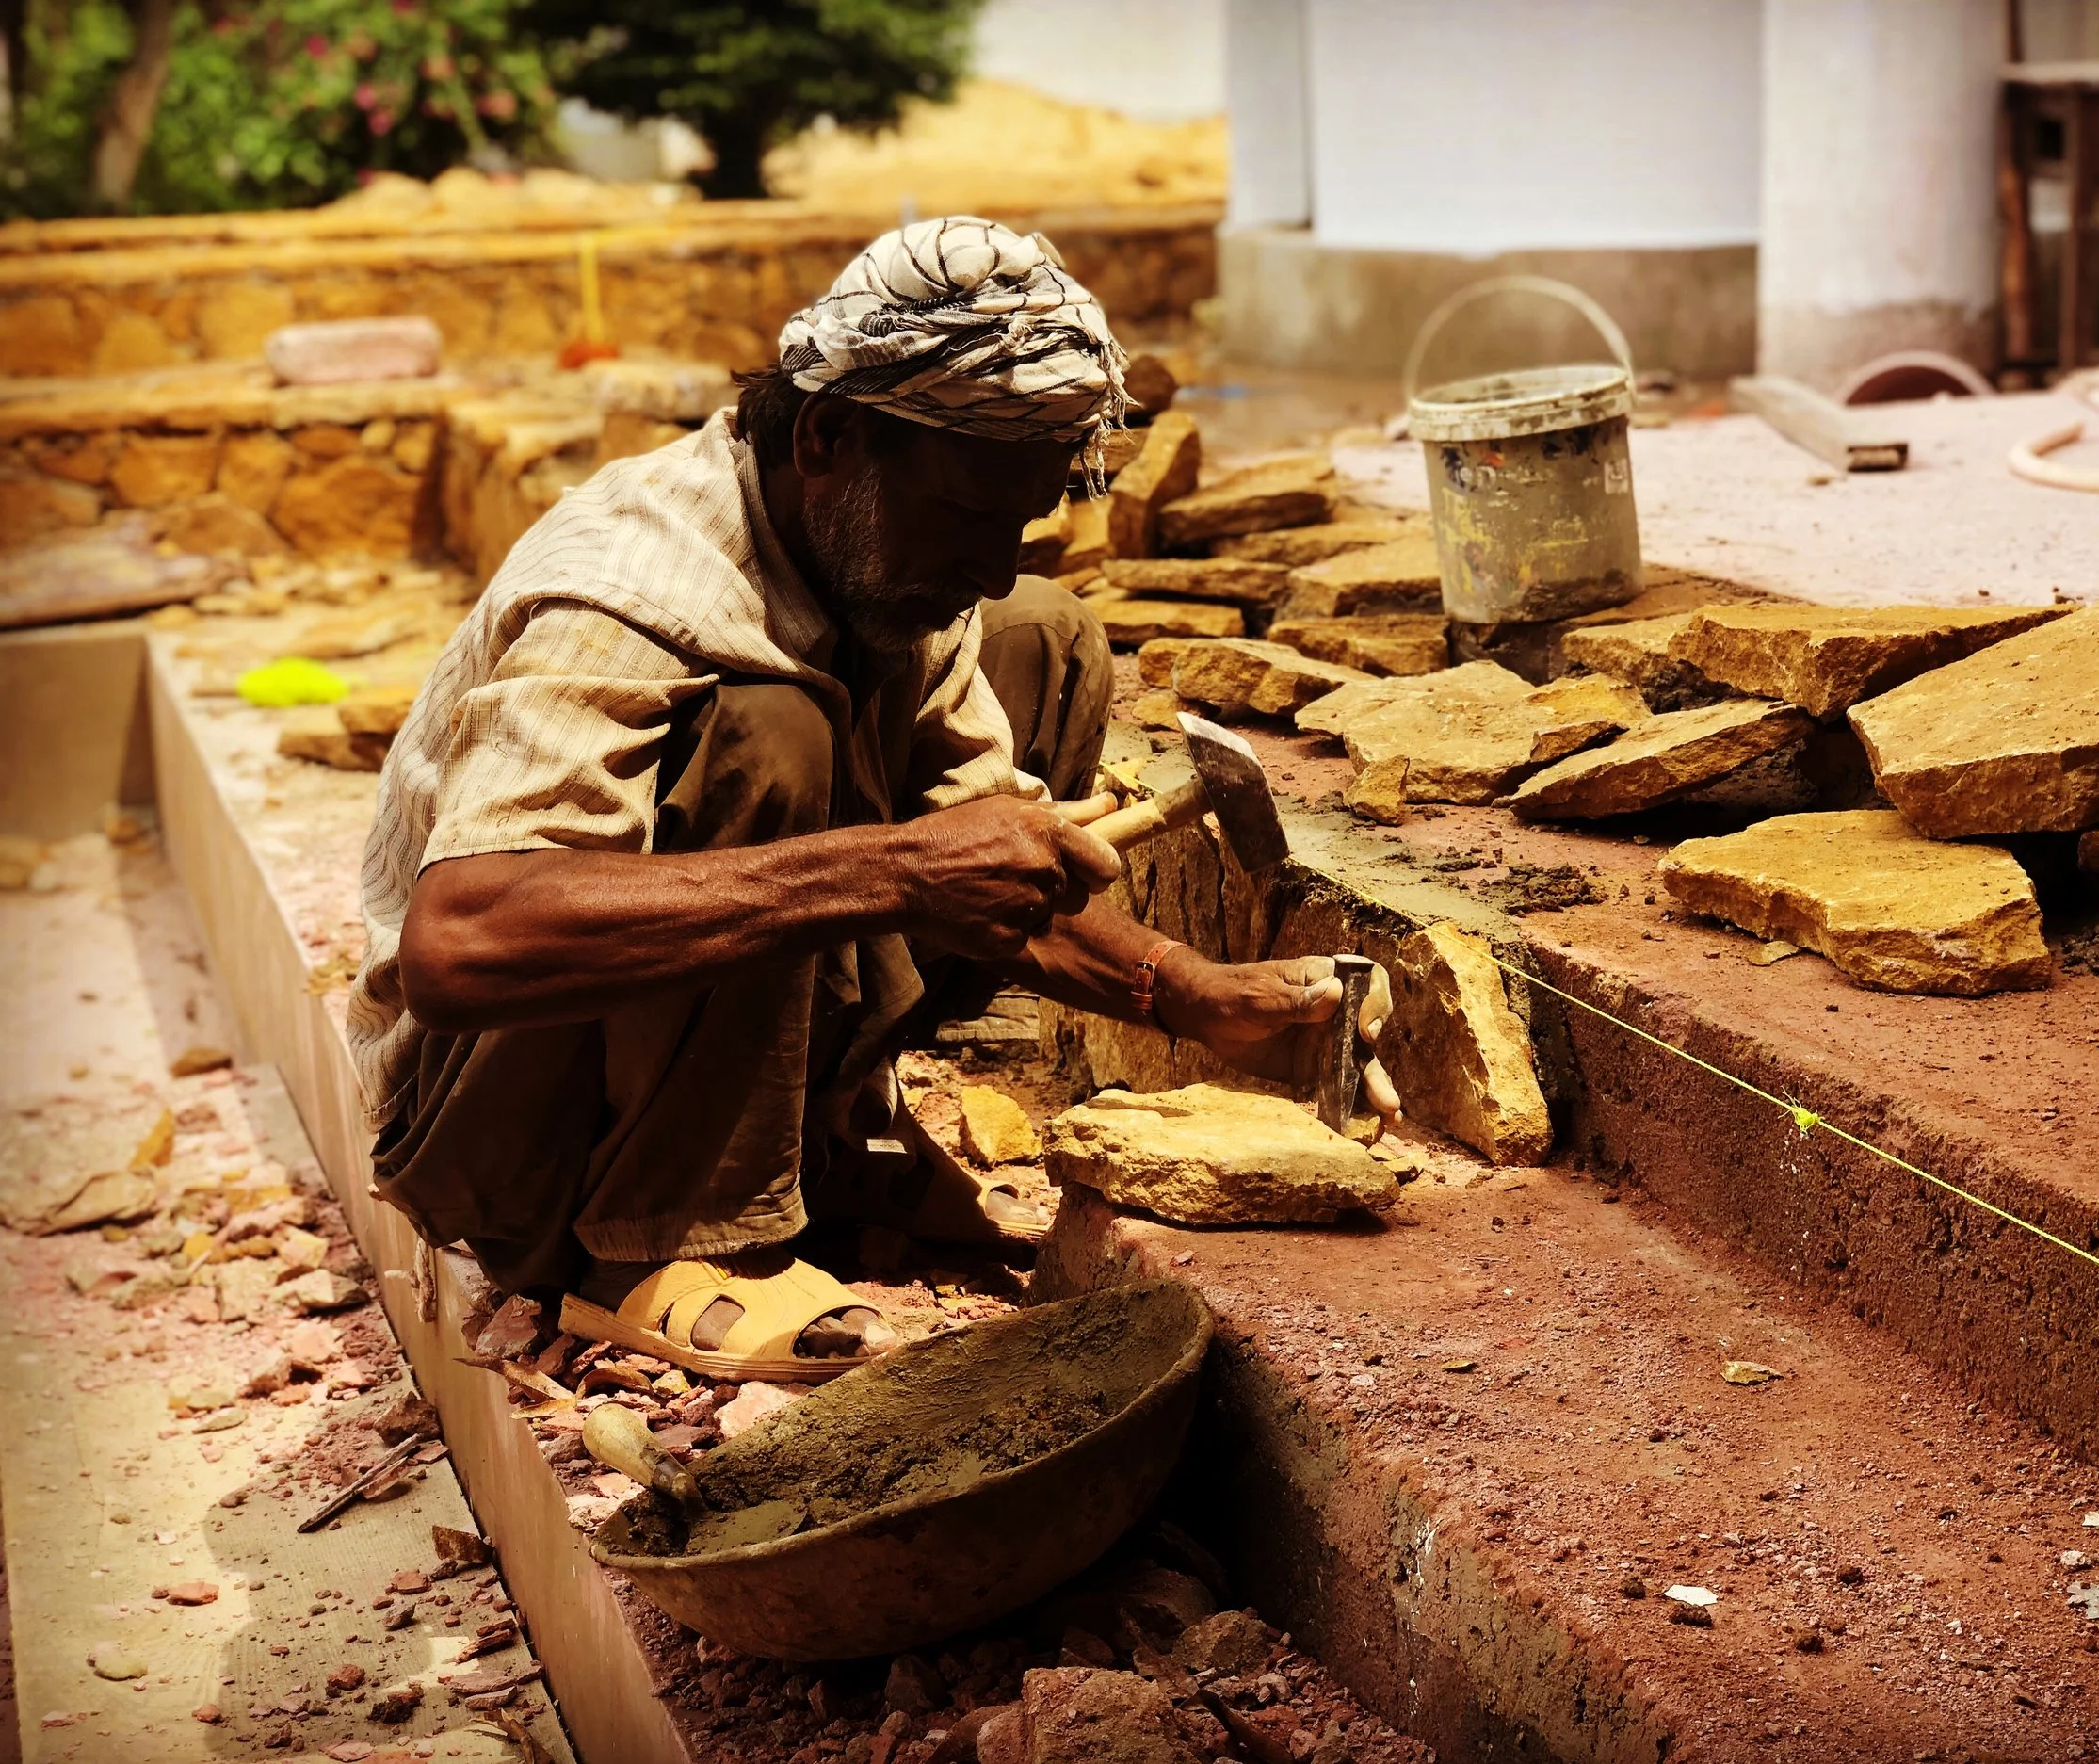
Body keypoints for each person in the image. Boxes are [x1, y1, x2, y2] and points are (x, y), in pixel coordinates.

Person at [347, 217, 1395, 1384]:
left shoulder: (882, 562)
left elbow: (985, 858)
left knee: (1039, 634)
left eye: (1020, 517)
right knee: (768, 729)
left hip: (680, 1037)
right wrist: (895, 869)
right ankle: (647, 1247)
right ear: (829, 435)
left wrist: (1189, 993)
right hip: (493, 1123)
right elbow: (463, 944)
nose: (992, 561)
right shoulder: (631, 587)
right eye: (965, 515)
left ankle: (817, 1144)